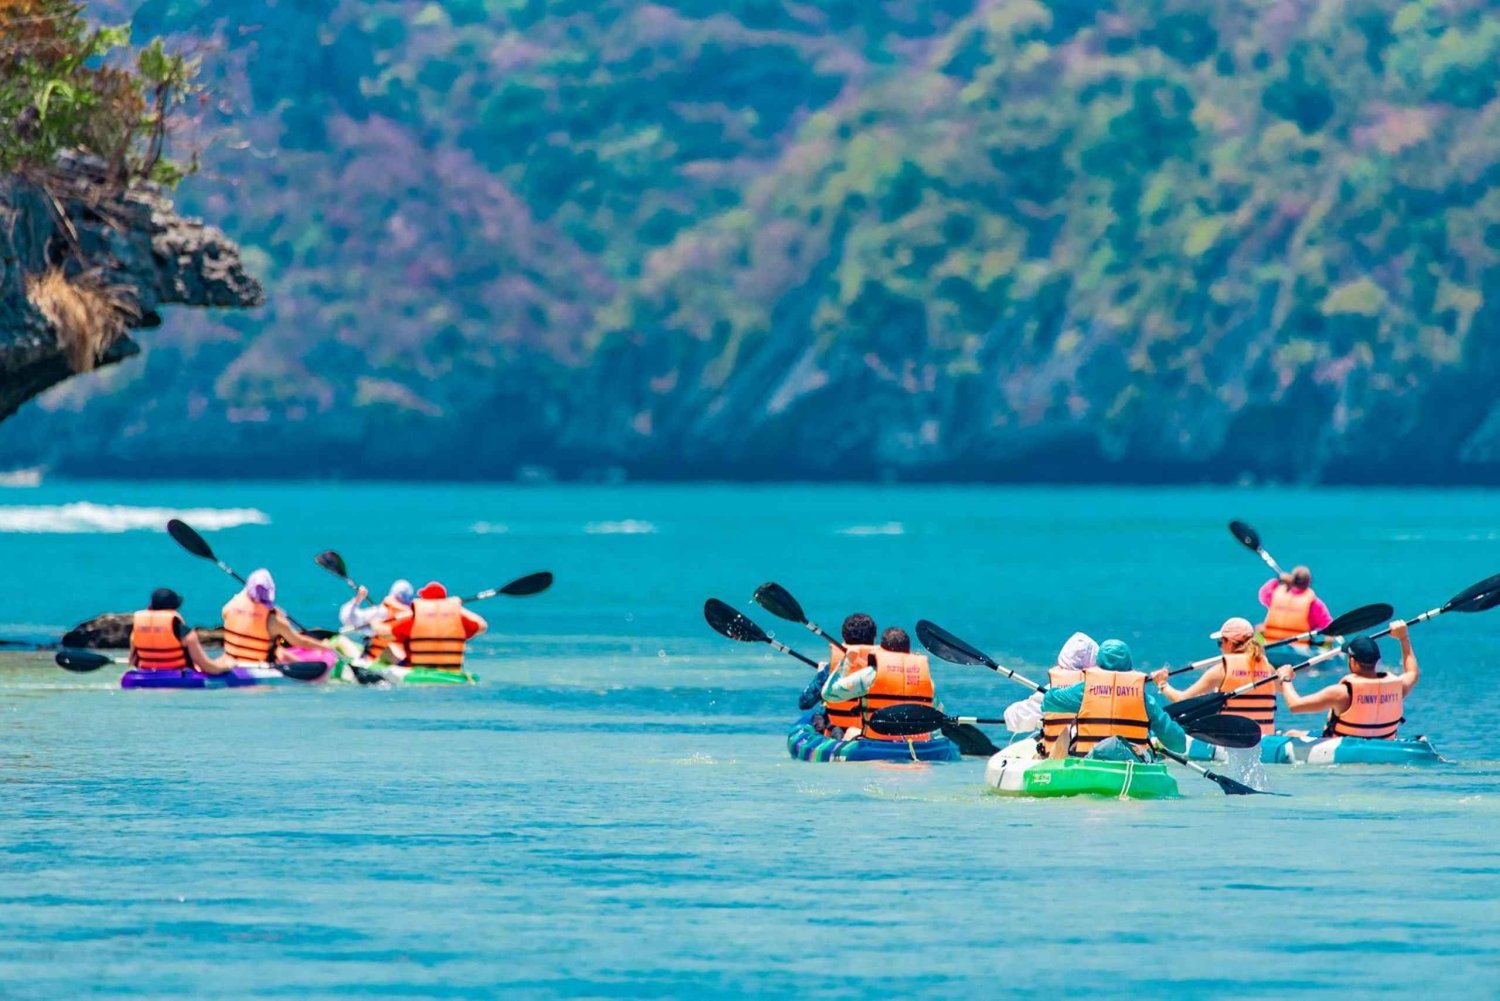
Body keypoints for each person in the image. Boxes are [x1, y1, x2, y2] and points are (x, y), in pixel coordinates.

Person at [1041, 639, 1187, 760]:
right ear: (1129, 665)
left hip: (1091, 763)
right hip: (1132, 765)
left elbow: (1048, 701)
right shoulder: (1144, 699)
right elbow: (1178, 743)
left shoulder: (1084, 690)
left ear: (1098, 663)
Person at [1276, 622, 1418, 740]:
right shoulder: (1397, 687)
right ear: (1377, 661)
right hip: (1382, 743)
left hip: (1341, 746)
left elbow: (1295, 706)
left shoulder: (1341, 693)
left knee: (1290, 735)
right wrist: (1404, 637)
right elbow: (1412, 672)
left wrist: (1285, 678)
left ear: (1353, 661)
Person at [1152, 617, 1278, 736]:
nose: (1220, 647)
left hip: (1230, 738)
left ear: (1229, 642)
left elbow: (1181, 699)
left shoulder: (1221, 670)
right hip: (1264, 737)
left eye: (1220, 642)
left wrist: (1162, 684)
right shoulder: (1270, 668)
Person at [817, 625, 937, 741]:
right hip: (916, 744)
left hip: (876, 743)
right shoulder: (926, 680)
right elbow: (937, 713)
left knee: (852, 731)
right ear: (908, 651)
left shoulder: (870, 675)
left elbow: (828, 694)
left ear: (882, 650)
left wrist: (847, 661)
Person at [1002, 632, 1098, 755]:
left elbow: (1015, 721)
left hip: (1058, 760)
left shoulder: (1051, 690)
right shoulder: (1105, 691)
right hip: (1096, 758)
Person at [220, 569, 329, 664]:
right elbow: (299, 641)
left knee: (279, 651)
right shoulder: (275, 621)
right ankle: (305, 670)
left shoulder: (229, 607)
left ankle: (299, 663)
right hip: (258, 666)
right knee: (277, 649)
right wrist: (324, 646)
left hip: (230, 663)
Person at [797, 612, 877, 736]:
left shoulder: (831, 670)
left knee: (818, 715)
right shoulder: (882, 668)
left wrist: (820, 675)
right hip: (874, 730)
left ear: (844, 639)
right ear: (874, 638)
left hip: (839, 731)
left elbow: (804, 702)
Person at [129, 587, 236, 675]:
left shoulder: (136, 632)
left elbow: (132, 662)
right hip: (178, 679)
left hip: (145, 677)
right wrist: (227, 666)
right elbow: (208, 667)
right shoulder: (186, 634)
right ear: (174, 608)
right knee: (223, 661)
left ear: (150, 606)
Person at [386, 581, 487, 671]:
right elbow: (483, 626)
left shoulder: (413, 621)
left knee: (389, 651)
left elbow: (388, 633)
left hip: (417, 671)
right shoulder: (458, 622)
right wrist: (458, 608)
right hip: (451, 673)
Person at [1260, 565, 1332, 650]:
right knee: (1327, 641)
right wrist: (1326, 648)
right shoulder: (1314, 603)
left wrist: (1278, 579)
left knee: (1259, 629)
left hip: (1271, 645)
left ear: (1291, 579)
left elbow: (1263, 593)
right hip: (1300, 650)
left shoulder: (1276, 595)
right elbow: (1330, 628)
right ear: (1309, 582)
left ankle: (1258, 650)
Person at [341, 579, 414, 662]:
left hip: (381, 661)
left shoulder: (382, 612)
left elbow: (348, 618)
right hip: (406, 661)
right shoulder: (413, 615)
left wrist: (359, 598)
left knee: (340, 640)